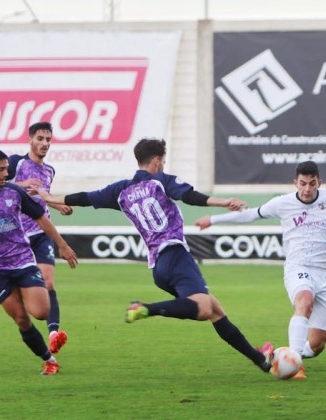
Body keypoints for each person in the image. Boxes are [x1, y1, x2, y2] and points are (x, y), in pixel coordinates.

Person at [34, 138, 275, 374]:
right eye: (163, 161)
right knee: (203, 307)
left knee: (214, 309)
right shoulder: (161, 180)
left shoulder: (120, 190)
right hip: (175, 254)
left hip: (158, 268)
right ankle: (146, 308)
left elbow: (84, 197)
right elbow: (189, 195)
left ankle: (260, 360)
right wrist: (223, 202)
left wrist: (48, 198)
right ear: (157, 161)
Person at [196, 160, 326, 379]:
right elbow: (249, 214)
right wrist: (213, 219)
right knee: (304, 300)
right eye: (303, 183)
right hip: (298, 266)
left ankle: (278, 353)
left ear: (320, 182)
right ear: (295, 183)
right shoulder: (283, 203)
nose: (307, 189)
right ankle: (295, 365)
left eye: (312, 184)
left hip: (325, 273)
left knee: (317, 345)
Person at [0, 148, 78, 375]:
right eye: (1, 169)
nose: (6, 174)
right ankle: (49, 360)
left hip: (23, 261)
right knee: (21, 318)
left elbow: (41, 218)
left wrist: (62, 245)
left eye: (7, 169)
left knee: (40, 311)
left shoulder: (14, 192)